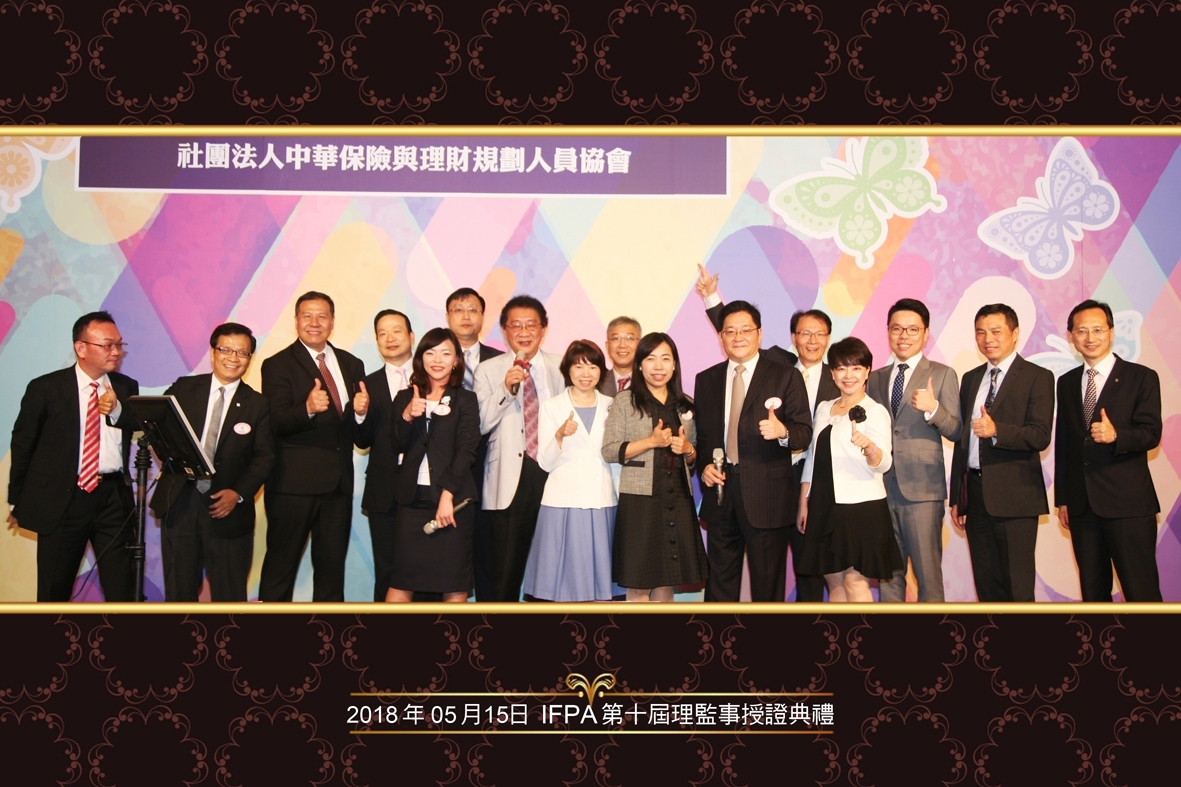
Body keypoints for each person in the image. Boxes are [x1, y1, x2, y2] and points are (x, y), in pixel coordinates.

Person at [8, 311, 139, 602]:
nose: (116, 352)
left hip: (113, 498)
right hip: (63, 498)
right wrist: (18, 499)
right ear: (81, 348)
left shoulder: (125, 387)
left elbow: (139, 423)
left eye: (119, 345)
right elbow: (24, 444)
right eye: (107, 345)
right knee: (54, 589)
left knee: (122, 587)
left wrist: (117, 409)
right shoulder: (46, 388)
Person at [696, 301, 813, 602]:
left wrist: (783, 432)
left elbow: (804, 431)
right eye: (730, 331)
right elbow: (705, 437)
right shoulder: (706, 379)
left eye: (745, 330)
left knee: (766, 589)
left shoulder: (785, 375)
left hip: (767, 497)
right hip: (721, 494)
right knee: (719, 586)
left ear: (759, 334)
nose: (738, 337)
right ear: (721, 337)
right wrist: (706, 465)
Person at [151, 323, 274, 602]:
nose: (233, 358)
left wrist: (238, 493)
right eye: (226, 349)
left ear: (250, 358)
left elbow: (265, 457)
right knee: (179, 594)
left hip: (228, 511)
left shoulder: (258, 404)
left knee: (229, 597)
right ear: (213, 352)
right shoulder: (184, 388)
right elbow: (157, 426)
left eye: (242, 352)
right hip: (181, 505)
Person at [258, 291, 368, 602]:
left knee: (331, 574)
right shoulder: (277, 364)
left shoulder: (352, 363)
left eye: (322, 316)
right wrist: (306, 408)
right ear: (296, 321)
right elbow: (276, 422)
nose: (315, 322)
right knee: (280, 570)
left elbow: (360, 437)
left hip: (338, 488)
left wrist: (361, 414)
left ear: (332, 322)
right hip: (292, 487)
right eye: (307, 316)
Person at [1055, 299, 1162, 602]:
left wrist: (1116, 436)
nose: (1090, 337)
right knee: (1093, 594)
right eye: (1082, 331)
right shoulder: (1066, 382)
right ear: (1071, 336)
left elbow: (1151, 433)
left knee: (1140, 591)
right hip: (1082, 508)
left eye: (1098, 329)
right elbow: (1065, 443)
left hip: (1127, 505)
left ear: (1111, 332)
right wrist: (1064, 499)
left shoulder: (1141, 377)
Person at [949, 304, 1054, 602]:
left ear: (1015, 333)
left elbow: (1040, 435)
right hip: (975, 497)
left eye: (996, 331)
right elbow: (963, 442)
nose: (988, 339)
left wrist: (997, 430)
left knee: (1017, 587)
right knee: (987, 585)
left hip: (1016, 497)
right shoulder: (971, 378)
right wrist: (957, 497)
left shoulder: (1037, 376)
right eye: (980, 332)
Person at [867, 299, 962, 603]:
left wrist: (933, 409)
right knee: (888, 577)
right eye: (897, 329)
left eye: (912, 329)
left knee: (927, 578)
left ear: (926, 333)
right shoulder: (875, 378)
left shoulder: (943, 374)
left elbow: (957, 430)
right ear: (888, 331)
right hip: (881, 490)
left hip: (922, 491)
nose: (903, 336)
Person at [474, 295, 564, 601]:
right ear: (504, 330)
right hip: (510, 477)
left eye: (531, 325)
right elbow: (480, 424)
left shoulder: (561, 366)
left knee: (552, 568)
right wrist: (506, 388)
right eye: (516, 325)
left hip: (553, 474)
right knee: (505, 572)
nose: (524, 332)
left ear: (543, 329)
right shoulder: (488, 370)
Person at [797, 337, 902, 601]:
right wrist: (804, 501)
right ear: (832, 373)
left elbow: (885, 463)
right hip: (824, 505)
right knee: (834, 584)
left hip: (861, 508)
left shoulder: (875, 411)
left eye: (856, 368)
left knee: (855, 584)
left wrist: (869, 448)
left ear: (867, 371)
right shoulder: (824, 408)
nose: (848, 375)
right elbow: (812, 458)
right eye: (841, 368)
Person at [602, 333, 704, 601]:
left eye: (665, 359)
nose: (658, 366)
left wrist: (688, 449)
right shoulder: (625, 401)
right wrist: (650, 441)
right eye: (651, 359)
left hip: (677, 497)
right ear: (639, 365)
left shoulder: (686, 404)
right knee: (638, 582)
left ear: (675, 365)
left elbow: (694, 456)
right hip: (640, 501)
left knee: (667, 581)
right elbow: (610, 450)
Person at [387, 328, 480, 602]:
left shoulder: (465, 400)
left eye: (445, 353)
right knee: (402, 581)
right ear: (421, 358)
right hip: (411, 501)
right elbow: (395, 444)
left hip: (453, 502)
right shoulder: (405, 397)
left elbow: (466, 451)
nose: (437, 360)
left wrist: (447, 496)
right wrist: (407, 416)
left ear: (456, 361)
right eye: (430, 352)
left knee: (453, 584)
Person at [524, 340, 618, 601]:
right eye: (578, 366)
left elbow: (617, 457)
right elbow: (545, 463)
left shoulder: (613, 405)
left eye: (592, 367)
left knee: (600, 585)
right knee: (561, 583)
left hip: (602, 499)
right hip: (563, 501)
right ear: (567, 369)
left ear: (601, 371)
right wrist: (559, 435)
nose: (586, 373)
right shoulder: (552, 406)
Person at [445, 287, 504, 601]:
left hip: (488, 462)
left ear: (483, 316)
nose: (465, 316)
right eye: (458, 309)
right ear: (448, 317)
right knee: (445, 549)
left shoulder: (500, 361)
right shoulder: (435, 358)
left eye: (472, 309)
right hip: (445, 465)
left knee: (486, 546)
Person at [354, 309, 415, 601]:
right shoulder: (366, 384)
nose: (390, 338)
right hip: (383, 491)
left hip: (424, 490)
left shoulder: (432, 378)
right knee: (387, 571)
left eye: (396, 331)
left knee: (425, 570)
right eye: (382, 333)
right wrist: (360, 414)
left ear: (411, 337)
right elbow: (362, 441)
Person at [785, 308, 839, 602]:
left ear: (828, 338)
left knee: (813, 568)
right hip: (777, 480)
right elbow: (738, 337)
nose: (812, 340)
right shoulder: (776, 372)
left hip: (822, 483)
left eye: (819, 334)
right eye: (805, 333)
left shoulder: (840, 378)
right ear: (794, 338)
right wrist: (710, 298)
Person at [696, 263, 797, 365]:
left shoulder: (788, 365)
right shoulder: (778, 360)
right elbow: (729, 330)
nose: (738, 337)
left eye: (746, 330)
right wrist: (710, 296)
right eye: (804, 333)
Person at [598, 317, 641, 396]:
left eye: (629, 338)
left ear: (640, 344)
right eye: (616, 338)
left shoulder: (650, 382)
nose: (622, 345)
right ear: (607, 346)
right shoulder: (596, 382)